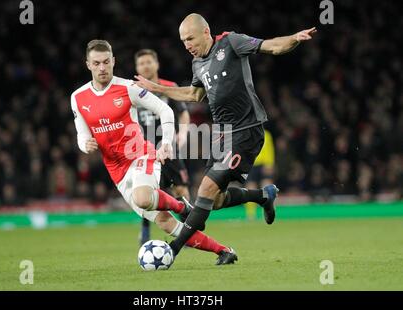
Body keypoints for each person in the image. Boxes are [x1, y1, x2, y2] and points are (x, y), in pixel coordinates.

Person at [135, 13, 317, 258]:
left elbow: (270, 46)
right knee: (216, 200)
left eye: (190, 38)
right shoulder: (197, 63)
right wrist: (158, 89)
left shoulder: (231, 42)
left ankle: (173, 250)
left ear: (206, 32)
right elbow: (194, 96)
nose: (187, 45)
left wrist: (294, 38)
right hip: (222, 134)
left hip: (246, 129)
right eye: (183, 41)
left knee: (206, 190)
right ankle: (264, 196)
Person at [71, 39, 236, 265]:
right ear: (88, 64)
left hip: (140, 155)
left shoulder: (128, 88)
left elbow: (165, 110)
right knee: (166, 223)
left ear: (113, 62)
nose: (102, 68)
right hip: (117, 172)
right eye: (97, 63)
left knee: (142, 197)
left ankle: (181, 205)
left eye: (106, 62)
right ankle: (223, 250)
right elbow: (81, 134)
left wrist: (166, 142)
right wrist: (85, 144)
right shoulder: (78, 98)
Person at [134, 48, 192, 245]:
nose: (146, 66)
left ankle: (189, 232)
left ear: (157, 64)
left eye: (149, 62)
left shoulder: (169, 87)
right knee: (149, 190)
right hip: (145, 151)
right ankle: (144, 229)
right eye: (141, 63)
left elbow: (183, 113)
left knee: (182, 190)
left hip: (169, 148)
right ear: (137, 67)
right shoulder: (133, 90)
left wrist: (182, 133)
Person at [245, 129, 275, 219]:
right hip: (251, 164)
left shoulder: (266, 134)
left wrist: (269, 164)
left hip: (263, 164)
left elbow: (269, 149)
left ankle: (268, 211)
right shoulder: (246, 133)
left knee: (267, 187)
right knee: (250, 188)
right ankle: (251, 214)